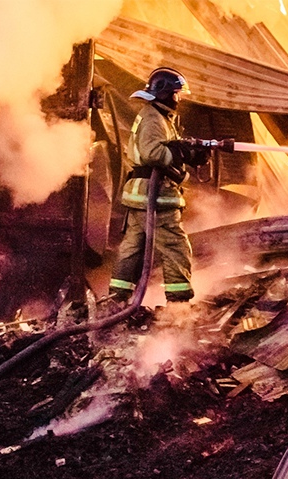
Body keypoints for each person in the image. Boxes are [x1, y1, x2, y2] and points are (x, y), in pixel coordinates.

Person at [108, 66, 208, 306]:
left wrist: (187, 152)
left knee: (133, 247)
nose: (178, 98)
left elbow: (164, 148)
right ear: (165, 93)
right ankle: (179, 305)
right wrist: (179, 152)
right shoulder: (154, 117)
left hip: (141, 196)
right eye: (176, 93)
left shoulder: (157, 115)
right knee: (175, 246)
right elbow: (152, 152)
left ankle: (117, 300)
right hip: (155, 197)